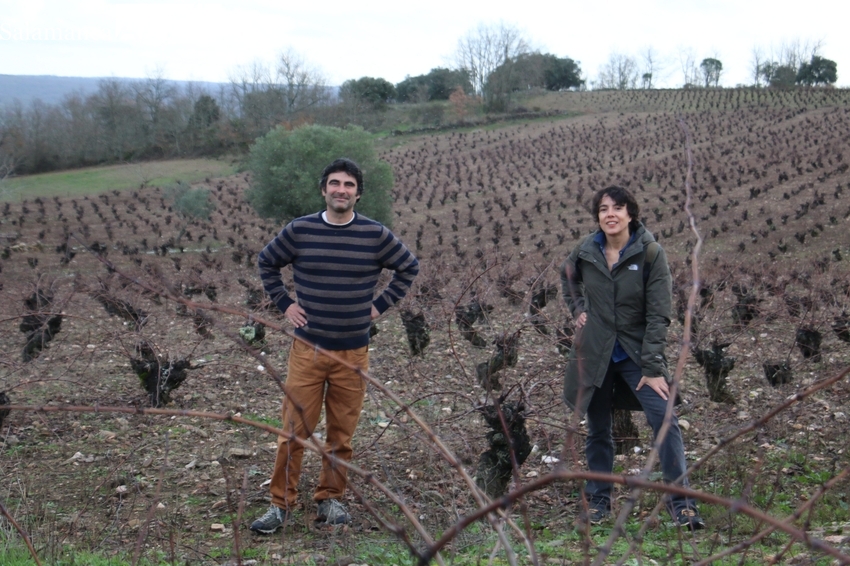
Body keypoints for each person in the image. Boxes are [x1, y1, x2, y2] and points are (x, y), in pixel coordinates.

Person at [250, 158, 419, 533]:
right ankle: (280, 504)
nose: (341, 190)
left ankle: (331, 500)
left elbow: (409, 267)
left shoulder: (375, 234)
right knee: (294, 430)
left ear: (358, 193)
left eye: (348, 185)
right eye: (334, 183)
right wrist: (285, 304)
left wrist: (378, 307)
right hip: (307, 350)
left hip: (353, 352)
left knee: (341, 433)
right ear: (323, 189)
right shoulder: (300, 230)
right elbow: (266, 263)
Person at [560, 186, 704, 530]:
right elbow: (568, 279)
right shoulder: (586, 250)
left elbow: (659, 316)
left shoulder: (651, 253)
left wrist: (653, 368)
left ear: (630, 214)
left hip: (636, 352)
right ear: (598, 216)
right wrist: (578, 309)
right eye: (604, 209)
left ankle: (681, 502)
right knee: (597, 428)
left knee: (663, 420)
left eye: (618, 208)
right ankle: (598, 502)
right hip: (595, 351)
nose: (610, 214)